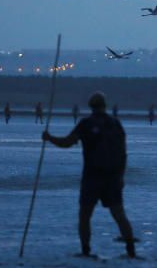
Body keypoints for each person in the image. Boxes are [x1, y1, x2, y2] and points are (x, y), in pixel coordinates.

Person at [43, 92, 137, 258]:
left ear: (91, 106)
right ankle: (131, 250)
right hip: (113, 178)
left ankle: (85, 250)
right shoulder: (115, 124)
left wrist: (49, 138)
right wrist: (121, 176)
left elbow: (67, 142)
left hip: (92, 178)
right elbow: (123, 153)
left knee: (85, 215)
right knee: (119, 214)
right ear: (104, 105)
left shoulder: (86, 124)